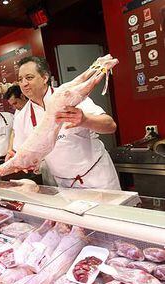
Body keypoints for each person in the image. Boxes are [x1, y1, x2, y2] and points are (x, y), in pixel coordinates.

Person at [8, 55, 120, 189]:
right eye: (20, 79)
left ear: (45, 77)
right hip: (64, 185)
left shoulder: (68, 95)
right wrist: (18, 159)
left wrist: (85, 120)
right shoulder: (21, 117)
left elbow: (110, 126)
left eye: (29, 77)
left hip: (97, 177)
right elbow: (22, 152)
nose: (24, 83)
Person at [4, 85, 28, 161]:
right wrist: (10, 150)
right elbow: (14, 131)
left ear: (22, 96)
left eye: (15, 103)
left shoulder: (33, 109)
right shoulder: (17, 112)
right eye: (12, 105)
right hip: (19, 155)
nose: (14, 107)